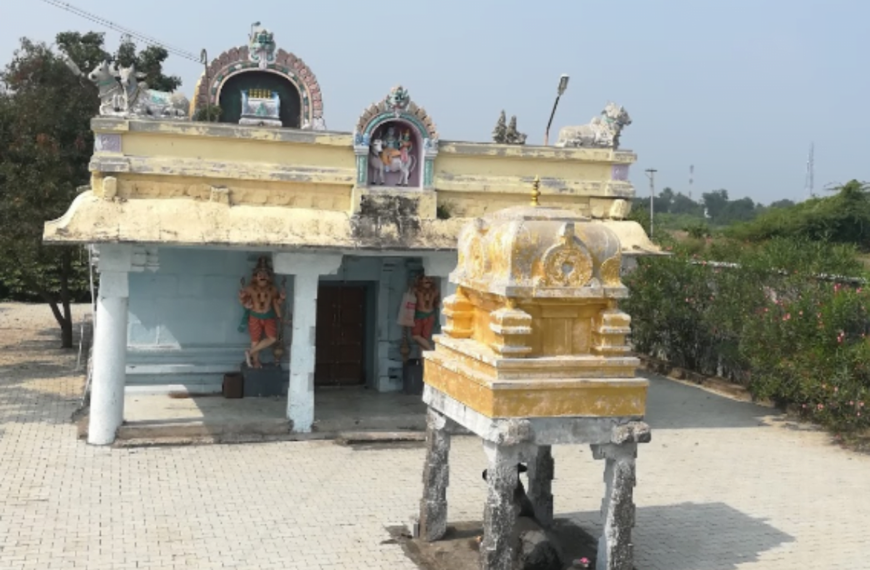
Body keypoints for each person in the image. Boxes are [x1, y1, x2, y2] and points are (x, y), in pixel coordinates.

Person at [237, 257, 285, 368]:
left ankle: (251, 352)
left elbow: (276, 302)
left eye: (265, 274)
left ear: (269, 277)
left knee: (272, 338)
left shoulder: (272, 289)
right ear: (255, 276)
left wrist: (281, 299)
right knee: (255, 339)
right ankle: (256, 361)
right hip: (255, 315)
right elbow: (244, 301)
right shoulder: (250, 288)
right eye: (260, 274)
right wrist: (243, 299)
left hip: (268, 316)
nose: (262, 276)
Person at [411, 274, 440, 351]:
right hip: (423, 315)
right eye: (426, 279)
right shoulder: (418, 290)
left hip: (425, 315)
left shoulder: (418, 290)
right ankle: (424, 359)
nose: (428, 281)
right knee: (422, 339)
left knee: (416, 336)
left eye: (429, 279)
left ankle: (430, 350)